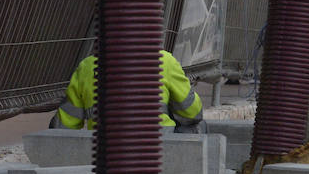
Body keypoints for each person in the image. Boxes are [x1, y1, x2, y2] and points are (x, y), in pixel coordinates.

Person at [52, 49, 203, 131]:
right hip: (159, 149)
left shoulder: (87, 66)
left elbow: (63, 127)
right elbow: (192, 113)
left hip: (103, 154)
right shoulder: (165, 61)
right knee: (197, 128)